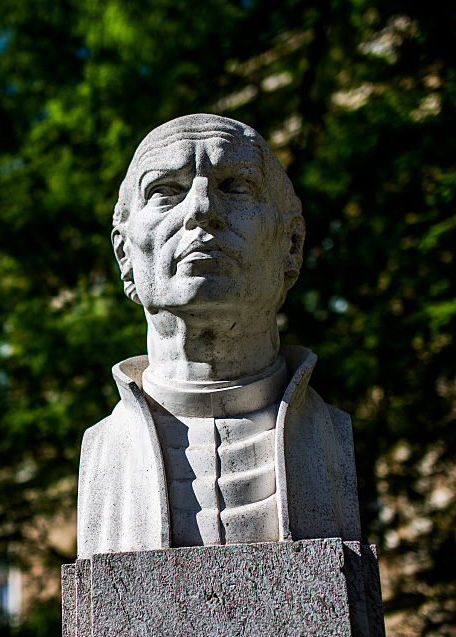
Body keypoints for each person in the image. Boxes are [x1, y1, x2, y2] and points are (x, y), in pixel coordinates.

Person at [76, 113, 362, 559]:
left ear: (291, 243)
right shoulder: (102, 457)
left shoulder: (332, 439)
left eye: (237, 187)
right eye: (166, 191)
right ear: (125, 256)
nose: (202, 209)